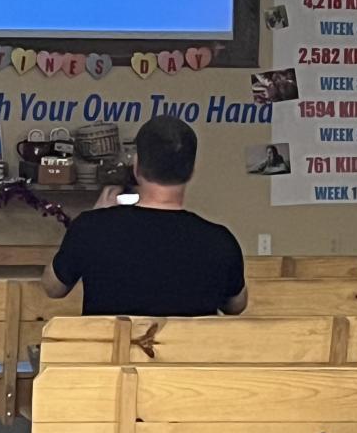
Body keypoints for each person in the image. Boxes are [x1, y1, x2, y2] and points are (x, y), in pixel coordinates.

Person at [42, 115, 247, 316]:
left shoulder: (90, 228)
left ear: (136, 166)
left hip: (110, 341)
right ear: (191, 171)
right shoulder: (220, 241)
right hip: (191, 342)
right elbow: (236, 306)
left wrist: (96, 216)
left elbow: (53, 288)